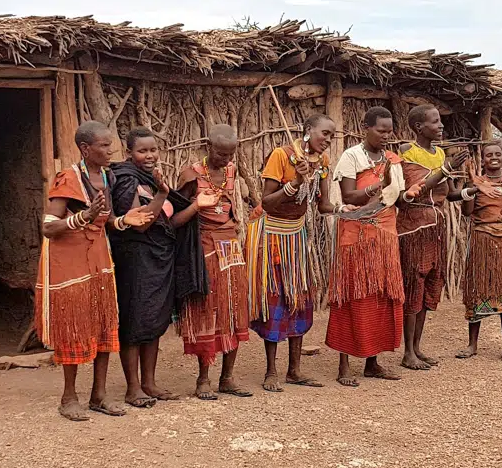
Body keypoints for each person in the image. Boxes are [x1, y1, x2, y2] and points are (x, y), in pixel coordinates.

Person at [38, 121, 151, 422]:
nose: (110, 149)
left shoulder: (107, 176)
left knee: (104, 321)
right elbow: (48, 227)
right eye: (103, 145)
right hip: (70, 261)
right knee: (73, 325)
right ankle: (69, 397)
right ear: (86, 149)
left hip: (100, 257)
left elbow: (108, 220)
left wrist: (127, 220)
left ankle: (98, 395)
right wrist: (83, 217)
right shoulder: (68, 180)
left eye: (110, 144)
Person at [250, 113, 336, 391]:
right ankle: (271, 371)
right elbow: (268, 203)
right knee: (275, 300)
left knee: (299, 298)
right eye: (325, 133)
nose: (328, 140)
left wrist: (350, 209)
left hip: (298, 237)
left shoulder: (321, 162)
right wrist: (295, 183)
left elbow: (323, 205)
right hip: (273, 236)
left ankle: (295, 370)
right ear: (308, 130)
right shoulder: (282, 155)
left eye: (332, 136)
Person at [327, 106, 406, 386]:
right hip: (357, 235)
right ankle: (344, 365)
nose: (386, 135)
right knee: (352, 293)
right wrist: (377, 186)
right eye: (380, 130)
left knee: (382, 294)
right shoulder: (352, 156)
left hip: (385, 233)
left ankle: (373, 362)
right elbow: (348, 194)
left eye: (389, 130)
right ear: (366, 128)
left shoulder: (392, 159)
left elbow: (397, 196)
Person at [174, 124, 254, 399]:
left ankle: (228, 377)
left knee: (234, 309)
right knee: (207, 311)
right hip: (205, 248)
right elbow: (175, 219)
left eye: (231, 154)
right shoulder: (190, 176)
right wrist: (198, 205)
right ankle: (203, 379)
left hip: (231, 248)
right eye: (221, 154)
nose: (226, 160)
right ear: (209, 148)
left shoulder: (231, 171)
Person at [108, 127, 176, 408]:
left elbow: (169, 221)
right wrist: (162, 193)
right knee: (135, 320)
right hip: (135, 259)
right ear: (129, 153)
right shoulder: (126, 180)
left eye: (153, 150)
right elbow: (143, 222)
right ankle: (132, 388)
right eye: (142, 151)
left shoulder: (148, 179)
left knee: (154, 320)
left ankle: (149, 382)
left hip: (157, 259)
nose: (149, 156)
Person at [455, 141, 502, 363]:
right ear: (483, 159)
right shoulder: (476, 183)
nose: (494, 158)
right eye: (489, 155)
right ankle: (472, 345)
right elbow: (468, 212)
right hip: (482, 240)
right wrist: (470, 187)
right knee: (478, 288)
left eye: (498, 154)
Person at [396, 104, 456, 371]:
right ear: (419, 127)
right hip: (413, 227)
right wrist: (445, 170)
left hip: (435, 227)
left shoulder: (441, 153)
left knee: (430, 283)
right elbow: (413, 192)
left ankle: (417, 347)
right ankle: (407, 351)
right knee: (414, 285)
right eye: (435, 121)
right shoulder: (407, 153)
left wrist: (471, 192)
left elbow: (449, 193)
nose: (440, 125)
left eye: (440, 120)